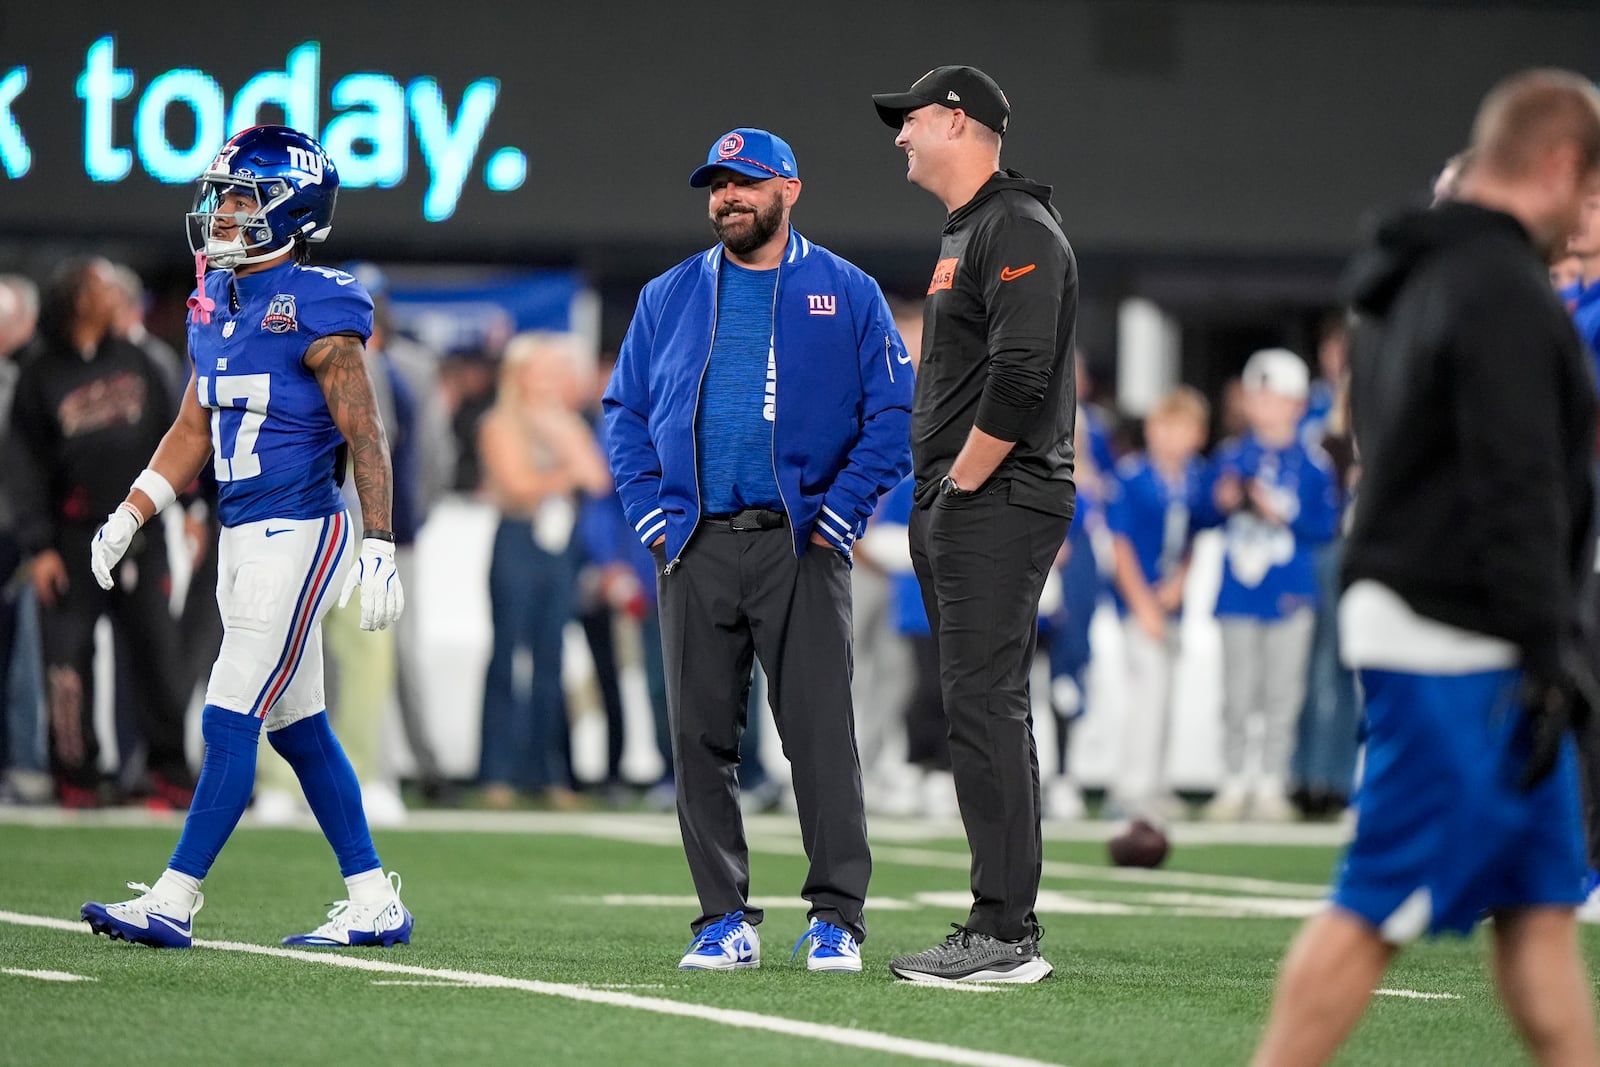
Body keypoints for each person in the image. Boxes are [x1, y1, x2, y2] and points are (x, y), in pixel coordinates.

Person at [1252, 70, 1600, 1067]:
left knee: (1539, 912)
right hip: (1458, 640)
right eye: (1589, 194)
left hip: (1465, 626)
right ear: (1558, 165)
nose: (1589, 219)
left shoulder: (1422, 274)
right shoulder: (1494, 287)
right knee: (1379, 900)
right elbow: (1514, 482)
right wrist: (1549, 647)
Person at [78, 124, 412, 950]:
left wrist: (380, 542)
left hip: (301, 528)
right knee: (296, 724)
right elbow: (194, 427)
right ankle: (374, 899)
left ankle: (174, 896)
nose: (223, 210)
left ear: (291, 208)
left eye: (242, 197)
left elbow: (364, 431)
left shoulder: (320, 301)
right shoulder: (215, 301)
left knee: (227, 712)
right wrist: (132, 511)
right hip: (241, 533)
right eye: (222, 195)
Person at [603, 127, 911, 973]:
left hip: (802, 546)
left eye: (744, 183)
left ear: (789, 190)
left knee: (817, 736)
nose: (727, 197)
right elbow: (624, 411)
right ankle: (722, 919)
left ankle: (837, 917)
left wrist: (842, 514)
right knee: (697, 737)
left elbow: (894, 414)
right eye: (717, 185)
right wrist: (651, 515)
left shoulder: (846, 290)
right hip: (694, 544)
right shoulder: (668, 294)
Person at [871, 65, 1077, 983]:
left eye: (909, 121)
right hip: (971, 499)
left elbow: (1023, 374)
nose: (899, 137)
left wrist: (960, 484)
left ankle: (1003, 931)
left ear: (957, 122)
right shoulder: (973, 227)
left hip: (996, 498)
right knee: (980, 706)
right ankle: (1002, 923)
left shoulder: (1016, 225)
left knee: (986, 705)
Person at [9, 257, 195, 809]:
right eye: (103, 286)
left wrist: (193, 511)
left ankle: (168, 773)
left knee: (159, 655)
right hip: (72, 539)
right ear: (79, 301)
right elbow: (23, 468)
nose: (117, 293)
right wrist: (38, 546)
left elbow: (180, 440)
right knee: (66, 663)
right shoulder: (41, 375)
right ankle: (76, 777)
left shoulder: (141, 361)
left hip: (143, 532)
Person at [1198, 349, 1339, 822]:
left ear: (1297, 404)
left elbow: (1325, 527)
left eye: (1273, 397)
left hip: (1291, 591)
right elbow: (1203, 513)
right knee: (1238, 692)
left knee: (1283, 694)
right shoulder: (1231, 456)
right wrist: (1222, 501)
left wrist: (1282, 513)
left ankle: (1272, 780)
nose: (1263, 406)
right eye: (1257, 396)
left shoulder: (1314, 462)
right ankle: (1234, 779)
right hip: (1239, 591)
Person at [477, 331, 611, 810]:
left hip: (559, 549)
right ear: (521, 374)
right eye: (546, 369)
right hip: (518, 544)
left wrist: (558, 443)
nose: (555, 379)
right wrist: (561, 472)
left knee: (553, 658)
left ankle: (550, 773)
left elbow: (596, 476)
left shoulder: (567, 423)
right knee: (507, 656)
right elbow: (516, 487)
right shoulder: (499, 422)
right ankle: (497, 772)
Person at [1104, 387, 1209, 825]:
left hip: (1170, 601)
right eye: (1164, 427)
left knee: (1165, 693)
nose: (1170, 437)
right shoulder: (1132, 477)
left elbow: (1193, 538)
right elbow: (1120, 547)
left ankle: (1157, 781)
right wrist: (1143, 604)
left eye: (1181, 428)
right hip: (1138, 601)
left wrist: (1180, 583)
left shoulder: (1194, 479)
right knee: (1147, 689)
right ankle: (1131, 786)